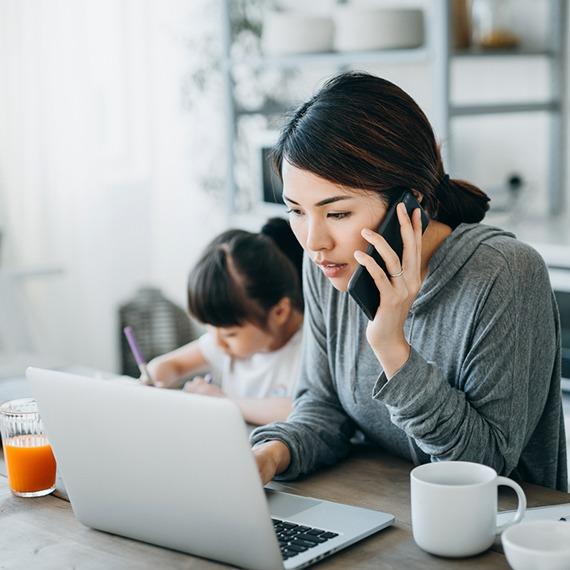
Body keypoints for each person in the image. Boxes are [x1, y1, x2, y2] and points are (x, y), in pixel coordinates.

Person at [251, 71, 567, 491]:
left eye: (338, 213)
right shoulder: (330, 265)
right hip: (387, 510)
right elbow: (323, 407)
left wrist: (392, 348)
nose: (314, 241)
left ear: (410, 203)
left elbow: (486, 467)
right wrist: (269, 455)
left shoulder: (504, 276)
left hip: (498, 533)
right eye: (296, 211)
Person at [146, 218, 304, 426]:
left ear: (279, 312)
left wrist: (223, 402)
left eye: (230, 334)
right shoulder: (225, 343)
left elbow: (303, 411)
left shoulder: (308, 348)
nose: (218, 343)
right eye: (211, 329)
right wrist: (157, 377)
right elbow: (168, 365)